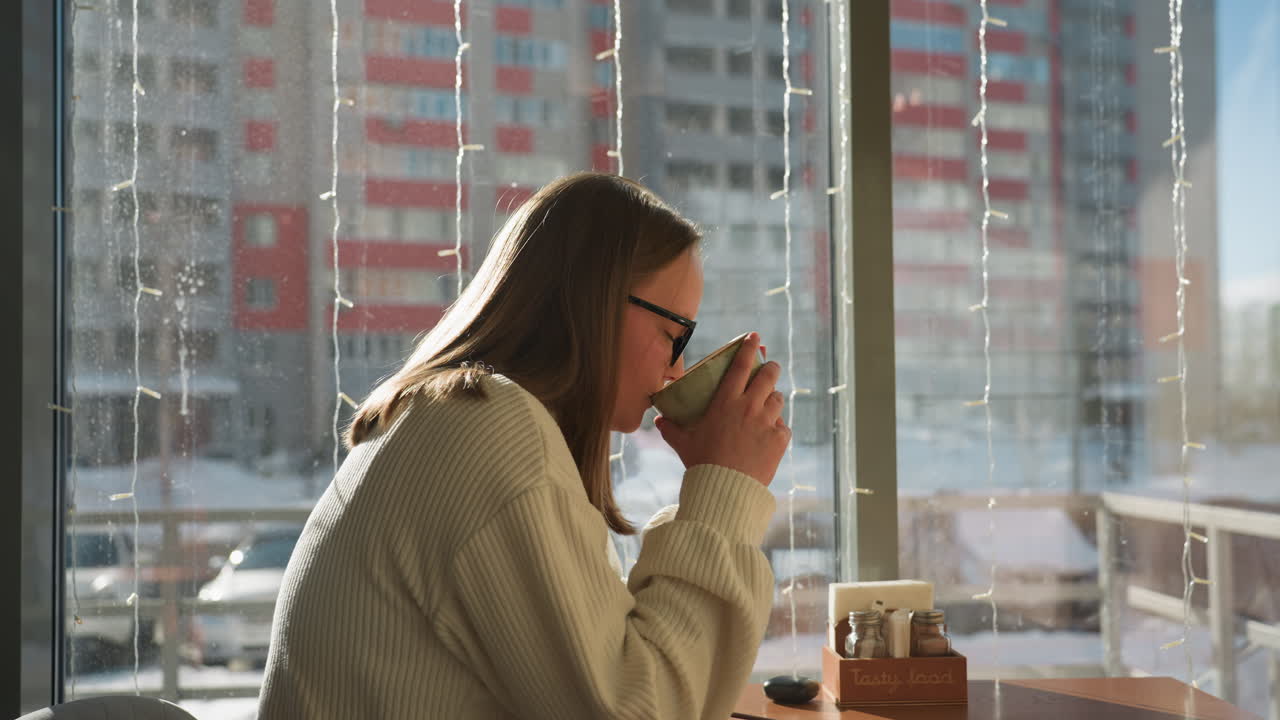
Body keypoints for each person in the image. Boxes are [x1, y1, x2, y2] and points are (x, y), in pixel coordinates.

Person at [258, 172, 790, 719]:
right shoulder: (484, 429)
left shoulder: (451, 417)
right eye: (675, 333)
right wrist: (727, 487)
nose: (677, 367)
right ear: (595, 299)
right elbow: (636, 709)